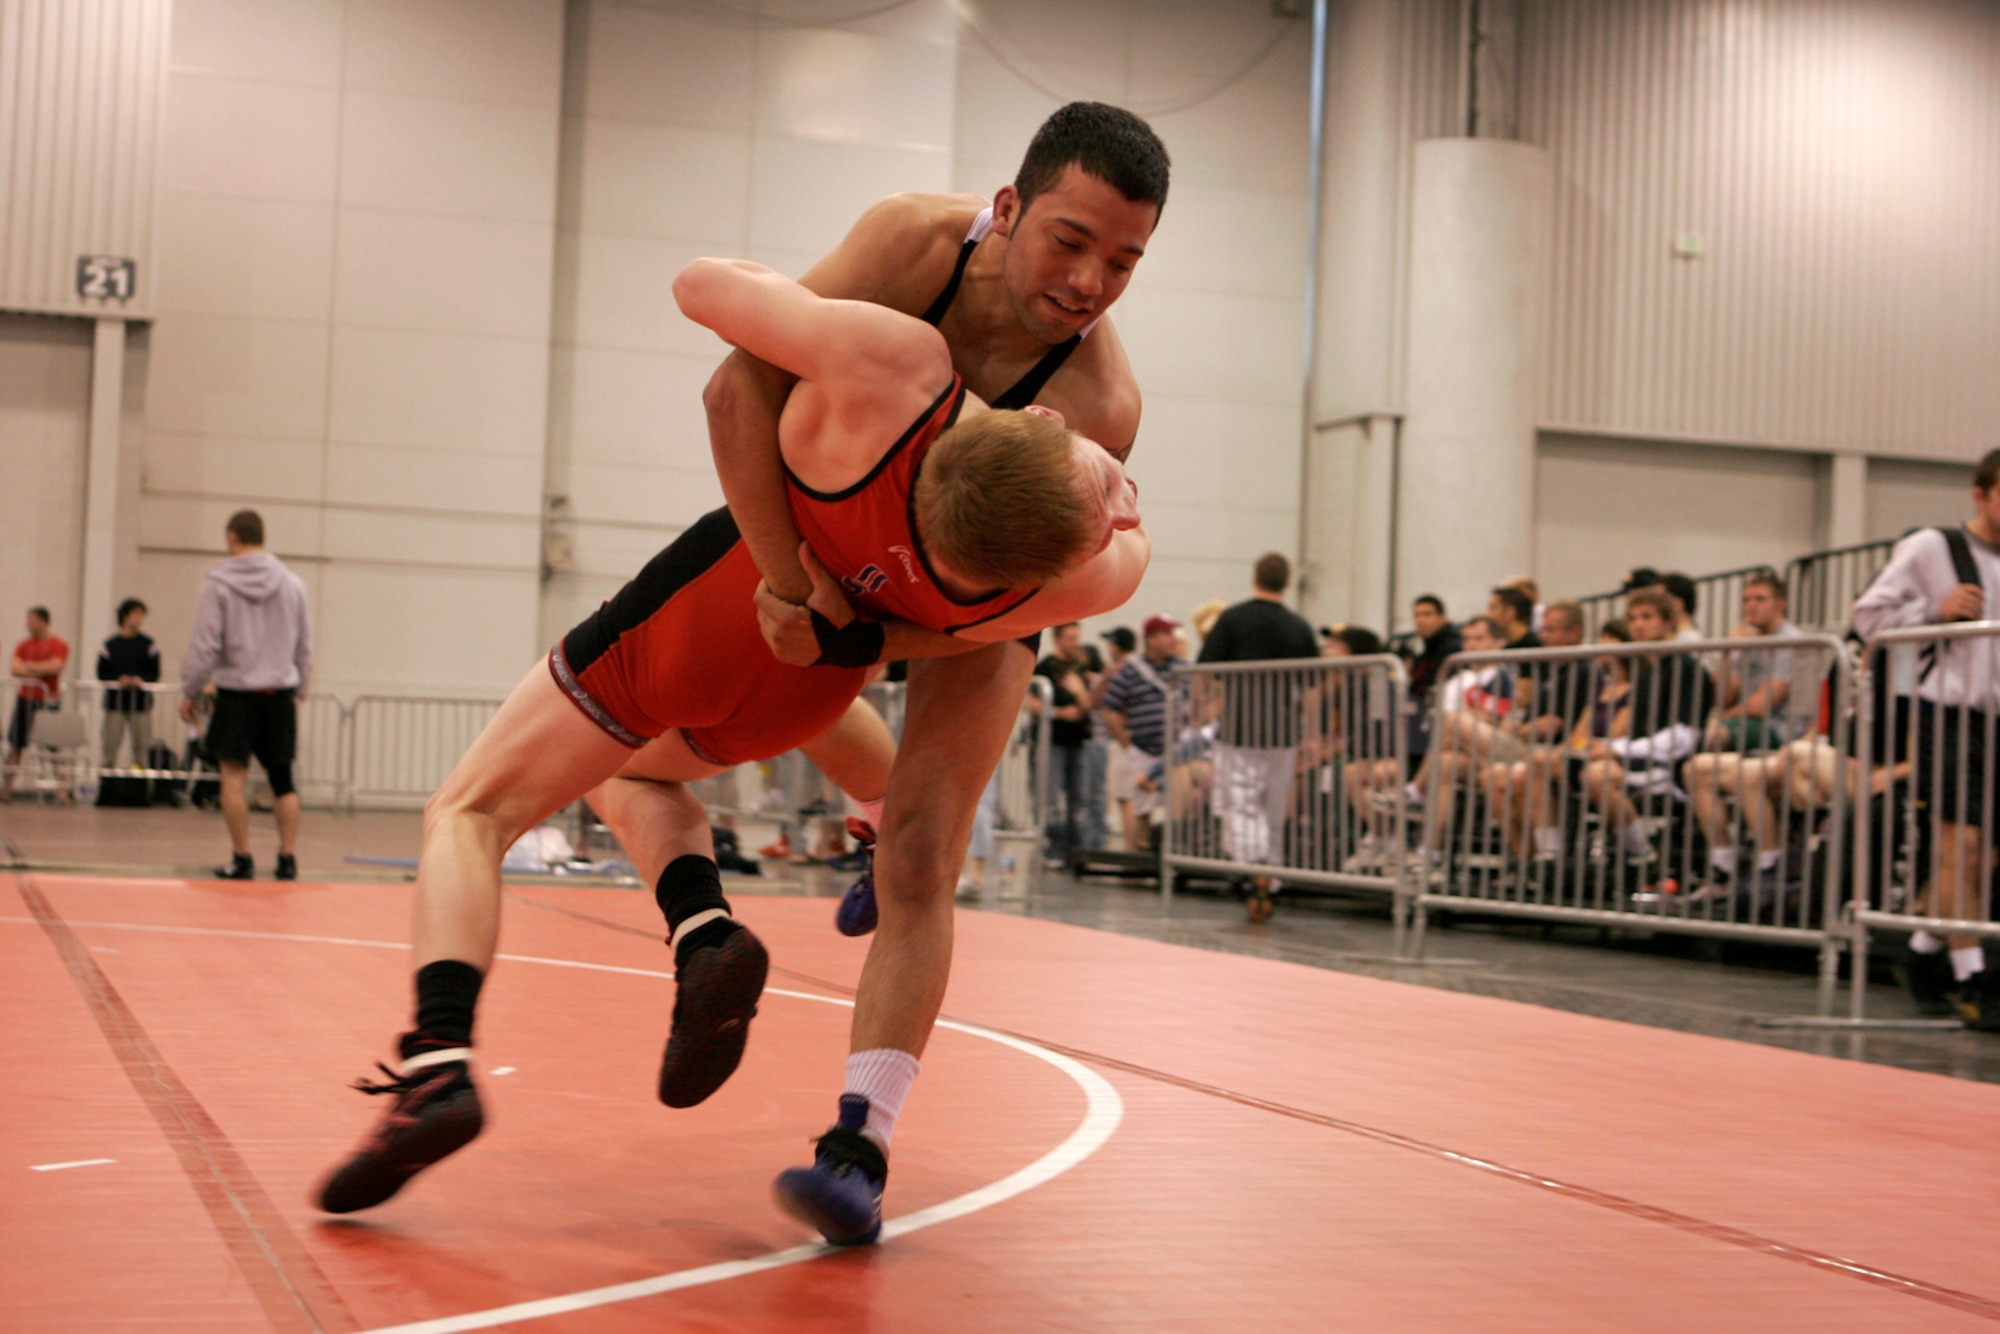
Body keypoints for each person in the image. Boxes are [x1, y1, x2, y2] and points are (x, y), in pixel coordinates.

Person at [313, 256, 1149, 1235]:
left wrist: (887, 289)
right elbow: (1082, 560)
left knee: (469, 809)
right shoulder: (1073, 583)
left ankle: (436, 1057)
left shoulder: (893, 375)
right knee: (631, 774)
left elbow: (702, 295)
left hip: (710, 613)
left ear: (1040, 422)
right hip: (811, 690)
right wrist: (1101, 502)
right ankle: (706, 922)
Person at [700, 102, 1167, 1244]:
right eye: (1068, 240)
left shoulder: (1099, 404)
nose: (1089, 281)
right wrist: (785, 581)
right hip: (827, 529)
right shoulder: (909, 244)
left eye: (1123, 261)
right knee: (729, 719)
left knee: (926, 851)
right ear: (1004, 209)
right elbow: (737, 390)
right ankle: (858, 800)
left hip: (971, 598)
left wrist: (864, 641)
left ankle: (858, 1144)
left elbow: (1015, 603)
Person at [1853, 447, 2000, 1028]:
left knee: (1982, 859)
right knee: (1958, 846)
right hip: (1947, 711)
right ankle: (1975, 979)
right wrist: (1933, 611)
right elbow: (1868, 618)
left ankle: (1920, 951)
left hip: (1998, 721)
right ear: (1980, 493)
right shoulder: (1934, 547)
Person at [179, 511, 313, 881]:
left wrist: (191, 689)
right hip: (279, 692)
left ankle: (243, 858)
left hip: (237, 694)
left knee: (233, 776)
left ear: (232, 537)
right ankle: (287, 858)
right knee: (282, 779)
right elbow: (304, 645)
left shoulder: (218, 584)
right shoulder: (293, 585)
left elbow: (204, 645)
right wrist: (299, 690)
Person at [1197, 552, 1320, 920]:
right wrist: (1310, 736)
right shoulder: (1299, 626)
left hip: (1240, 727)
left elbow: (1205, 669)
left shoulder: (1233, 618)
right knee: (1274, 807)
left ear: (1255, 577)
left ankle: (1256, 868)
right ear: (1286, 581)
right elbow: (1312, 688)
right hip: (1283, 732)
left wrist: (1199, 708)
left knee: (1242, 801)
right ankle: (1272, 874)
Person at [1580, 587, 1717, 865]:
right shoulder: (1645, 674)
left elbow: (1682, 739)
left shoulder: (1689, 669)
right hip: (1637, 759)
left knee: (1596, 776)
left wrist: (1616, 749)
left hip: (1670, 769)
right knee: (1550, 765)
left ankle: (1642, 854)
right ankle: (1550, 859)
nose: (1638, 625)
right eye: (1632, 619)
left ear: (1669, 622)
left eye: (1647, 617)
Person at [1101, 614, 1184, 852]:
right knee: (1140, 807)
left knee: (1179, 805)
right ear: (1151, 639)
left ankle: (1173, 856)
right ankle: (1136, 857)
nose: (1172, 639)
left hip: (1178, 752)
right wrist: (1127, 742)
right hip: (1143, 749)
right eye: (1167, 634)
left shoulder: (1183, 669)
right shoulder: (1130, 671)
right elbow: (1110, 708)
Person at [1034, 622, 1102, 866]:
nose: (1075, 643)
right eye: (1070, 638)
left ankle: (1077, 850)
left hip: (1078, 741)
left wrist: (1079, 691)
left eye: (1077, 638)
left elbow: (1088, 706)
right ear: (1058, 639)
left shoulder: (1080, 669)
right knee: (1051, 798)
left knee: (1080, 798)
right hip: (1052, 740)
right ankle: (1054, 848)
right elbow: (1030, 701)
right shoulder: (1044, 668)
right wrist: (1060, 713)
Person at [4, 607, 69, 802]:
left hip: (48, 700)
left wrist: (29, 667)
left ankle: (63, 791)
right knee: (16, 746)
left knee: (54, 747)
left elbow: (55, 666)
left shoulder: (58, 644)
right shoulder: (24, 645)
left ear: (43, 621)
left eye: (31, 620)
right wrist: (41, 670)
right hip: (25, 700)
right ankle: (6, 789)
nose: (28, 624)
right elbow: (15, 668)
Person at [97, 598, 160, 769]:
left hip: (140, 705)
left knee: (141, 749)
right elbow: (102, 672)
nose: (139, 619)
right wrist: (118, 680)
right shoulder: (110, 645)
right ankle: (106, 787)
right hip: (115, 704)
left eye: (141, 615)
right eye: (135, 614)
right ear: (125, 616)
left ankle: (139, 786)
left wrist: (141, 680)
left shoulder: (148, 645)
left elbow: (154, 673)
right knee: (109, 747)